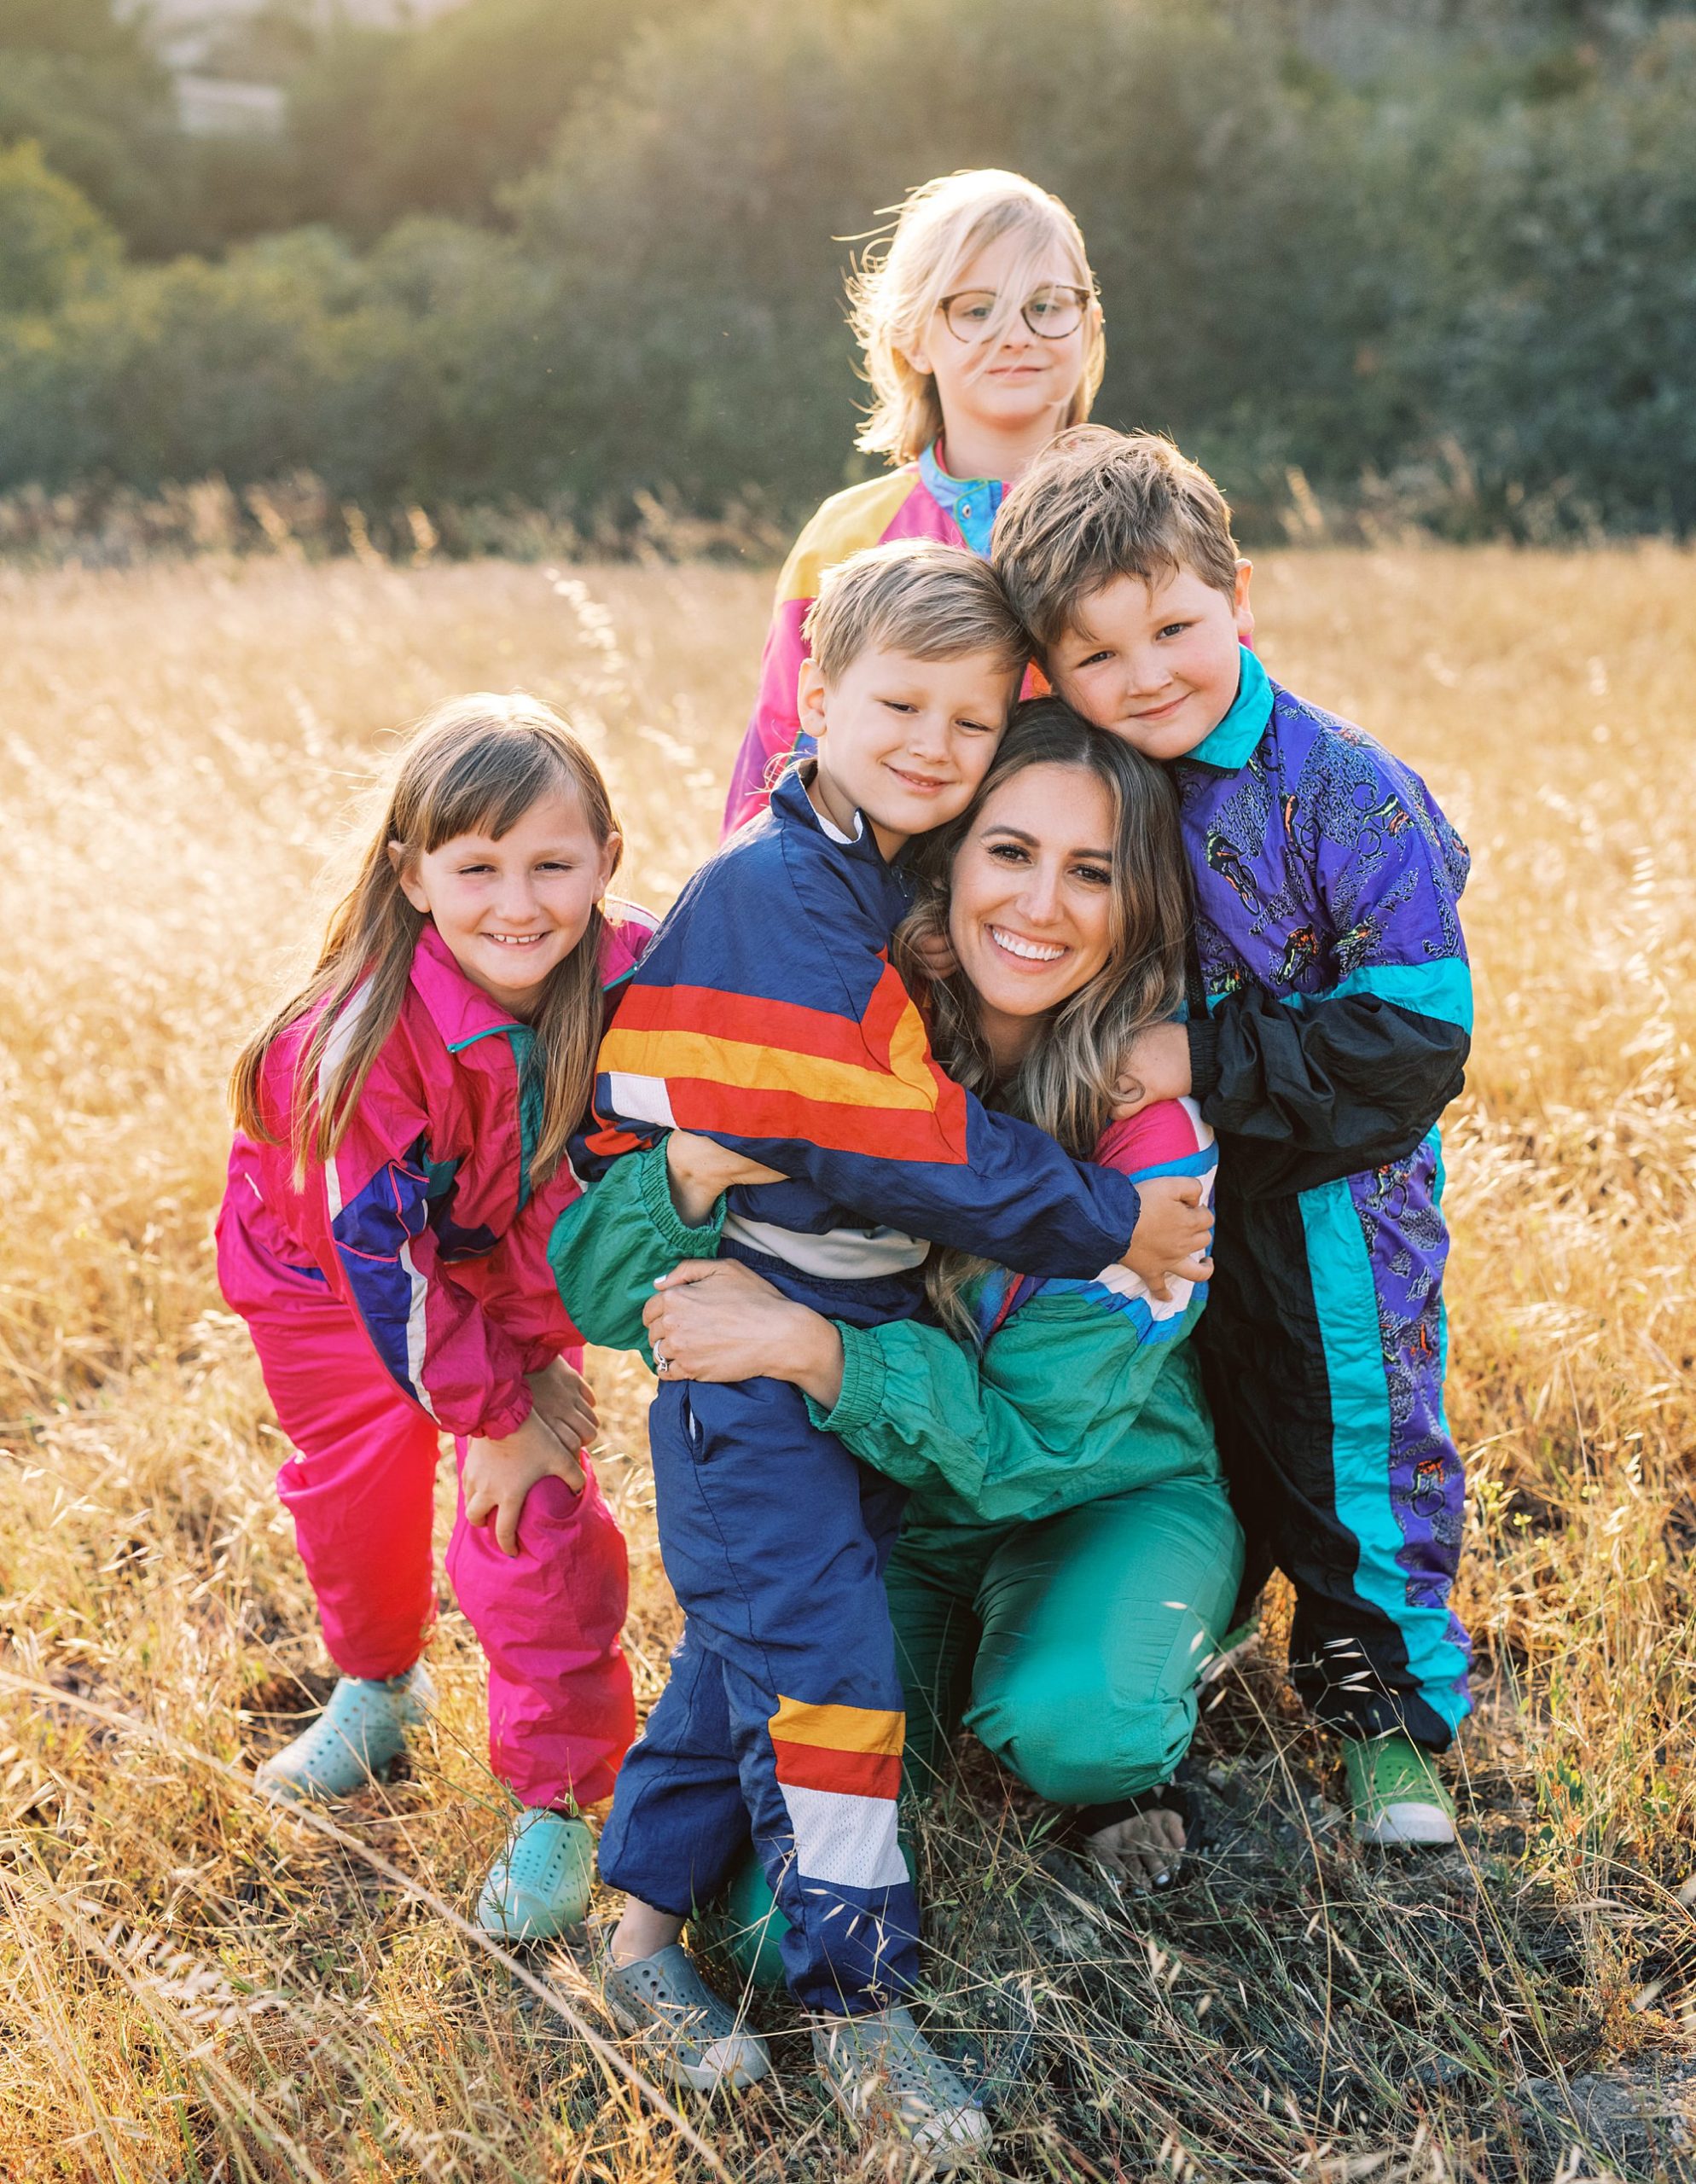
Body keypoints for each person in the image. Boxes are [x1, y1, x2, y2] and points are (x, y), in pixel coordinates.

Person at [543, 541, 1211, 2165]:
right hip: (754, 1384)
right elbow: (899, 1148)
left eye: (969, 722)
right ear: (817, 697)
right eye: (898, 706)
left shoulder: (895, 902)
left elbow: (935, 1217)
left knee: (746, 1656)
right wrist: (1087, 1217)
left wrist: (1123, 1194)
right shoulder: (781, 895)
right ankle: (859, 2012)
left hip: (905, 1402)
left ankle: (632, 1939)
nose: (929, 742)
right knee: (822, 1672)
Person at [992, 427, 1475, 1845]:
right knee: (1202, 1428)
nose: (1143, 675)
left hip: (1332, 1203)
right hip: (1155, 1197)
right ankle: (1188, 1657)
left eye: (1171, 628)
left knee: (1353, 1449)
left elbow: (1413, 1043)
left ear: (1236, 595)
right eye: (1094, 655)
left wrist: (1191, 1062)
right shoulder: (1088, 784)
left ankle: (1389, 1721)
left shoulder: (1341, 787)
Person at [216, 693, 648, 1940]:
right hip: (330, 1280)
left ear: (605, 865)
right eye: (477, 868)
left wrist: (520, 1393)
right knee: (359, 1494)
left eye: (552, 866)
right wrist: (500, 1404)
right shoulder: (349, 1045)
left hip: (493, 1258)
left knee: (533, 1518)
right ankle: (379, 1686)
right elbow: (380, 1265)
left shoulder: (629, 974)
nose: (519, 904)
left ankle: (558, 1804)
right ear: (411, 875)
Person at [722, 166, 1105, 836]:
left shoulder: (1150, 520)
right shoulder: (846, 535)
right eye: (977, 309)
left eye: (1046, 305)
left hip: (1087, 907)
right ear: (914, 337)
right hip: (878, 925)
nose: (1015, 334)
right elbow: (781, 754)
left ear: (1089, 327)